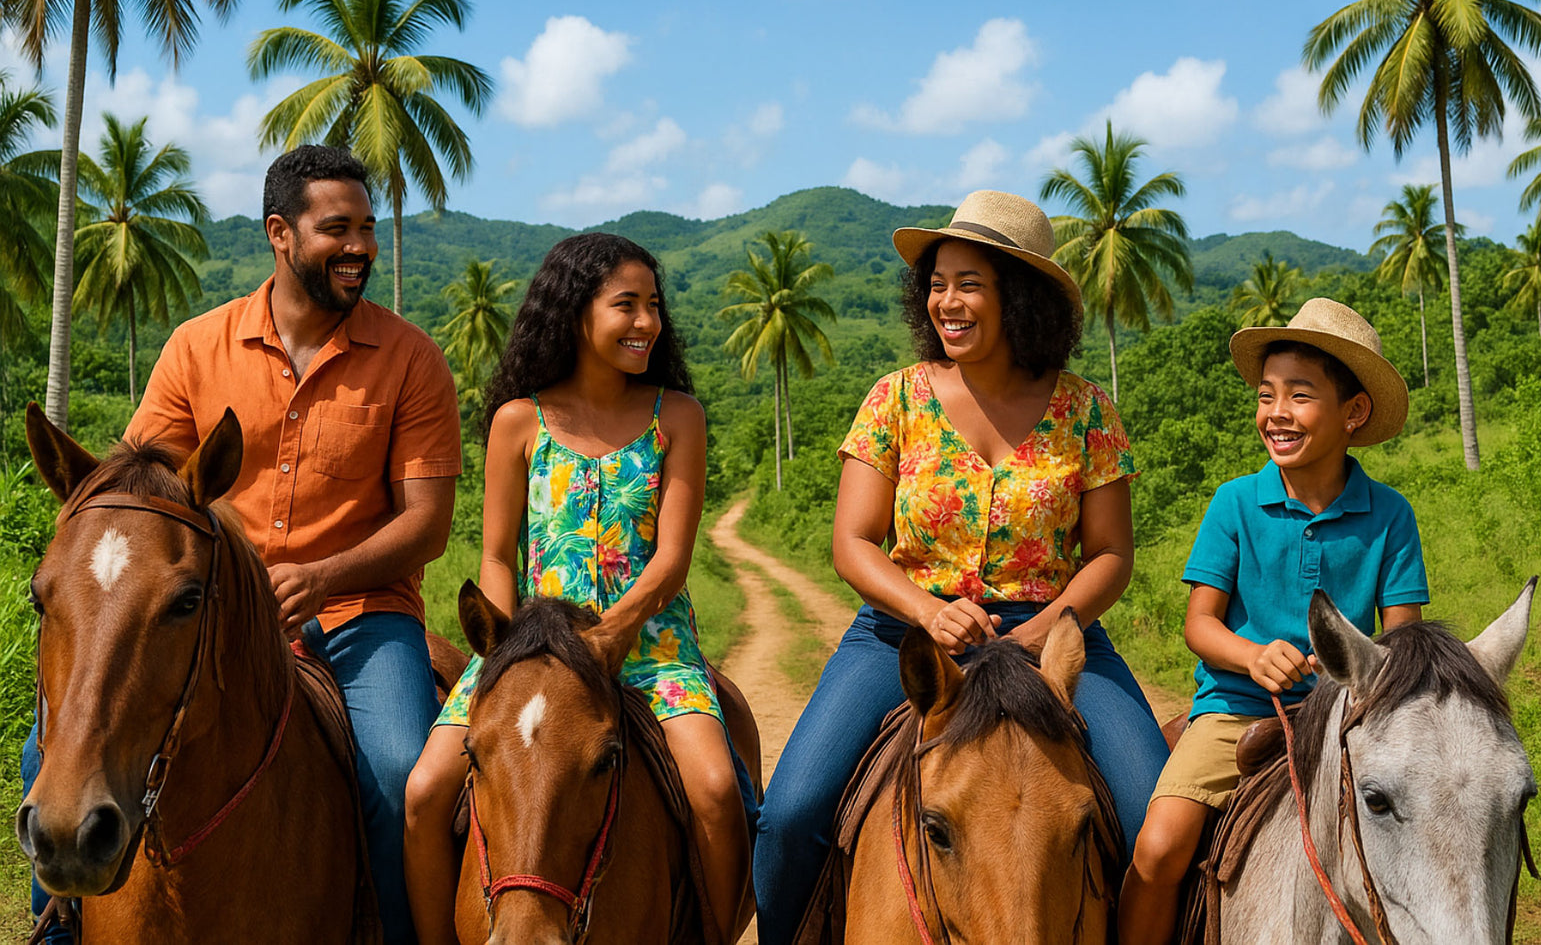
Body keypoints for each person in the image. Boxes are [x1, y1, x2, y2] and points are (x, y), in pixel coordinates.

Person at [755, 190, 1171, 944]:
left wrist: (1042, 633)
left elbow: (1111, 554)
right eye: (938, 283)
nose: (948, 301)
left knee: (1150, 815)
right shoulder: (894, 400)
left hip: (1055, 637)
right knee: (791, 812)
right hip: (904, 637)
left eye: (969, 283)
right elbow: (852, 542)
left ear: (1021, 295)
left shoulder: (1086, 410)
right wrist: (925, 608)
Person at [93, 144, 459, 945]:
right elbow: (140, 490)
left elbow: (426, 523)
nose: (360, 245)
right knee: (47, 753)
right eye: (338, 228)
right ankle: (61, 925)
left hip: (365, 616)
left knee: (400, 773)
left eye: (367, 227)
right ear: (280, 234)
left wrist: (324, 575)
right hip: (207, 615)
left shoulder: (411, 360)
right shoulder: (196, 348)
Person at [403, 232, 749, 945]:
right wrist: (498, 641)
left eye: (654, 305)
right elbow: (497, 553)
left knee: (715, 788)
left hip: (650, 643)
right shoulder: (516, 422)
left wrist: (613, 632)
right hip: (527, 646)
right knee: (424, 790)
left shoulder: (676, 415)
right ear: (573, 311)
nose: (648, 321)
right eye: (627, 304)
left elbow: (672, 561)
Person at [1117, 298, 1429, 945]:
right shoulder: (1235, 502)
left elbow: (1403, 645)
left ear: (1354, 412)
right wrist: (1254, 655)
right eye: (1267, 395)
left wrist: (1359, 678)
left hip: (1348, 718)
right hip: (1234, 709)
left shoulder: (1391, 516)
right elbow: (1199, 624)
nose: (1276, 412)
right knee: (1159, 846)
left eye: (1299, 395)